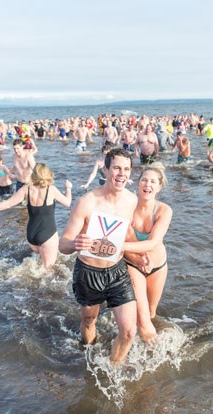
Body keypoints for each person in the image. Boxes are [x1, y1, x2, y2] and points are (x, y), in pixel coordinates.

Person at [59, 148, 138, 365]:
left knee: (129, 331)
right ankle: (89, 357)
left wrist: (139, 256)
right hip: (89, 273)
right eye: (117, 168)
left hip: (117, 271)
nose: (122, 174)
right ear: (106, 169)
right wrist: (75, 243)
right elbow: (62, 244)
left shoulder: (131, 200)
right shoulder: (87, 202)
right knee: (88, 320)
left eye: (126, 169)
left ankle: (112, 370)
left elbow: (127, 233)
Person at [0, 163, 72, 269]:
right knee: (48, 270)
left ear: (34, 175)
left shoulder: (26, 189)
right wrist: (68, 188)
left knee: (38, 261)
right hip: (47, 234)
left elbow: (7, 204)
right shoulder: (51, 189)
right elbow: (67, 203)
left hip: (31, 235)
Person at [122, 163, 172, 343]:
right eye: (144, 180)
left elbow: (153, 243)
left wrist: (120, 246)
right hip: (133, 264)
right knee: (142, 317)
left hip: (158, 266)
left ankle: (140, 344)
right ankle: (147, 349)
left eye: (152, 182)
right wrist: (134, 256)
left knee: (151, 313)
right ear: (138, 183)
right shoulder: (127, 207)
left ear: (159, 187)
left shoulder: (163, 210)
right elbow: (126, 239)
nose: (147, 184)